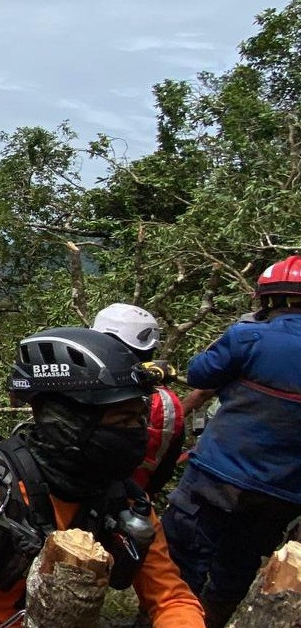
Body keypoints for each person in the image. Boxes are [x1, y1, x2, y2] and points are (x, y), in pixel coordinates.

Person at [0, 327, 203, 627]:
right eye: (123, 420)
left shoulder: (124, 501)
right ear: (67, 422)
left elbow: (171, 599)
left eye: (139, 419)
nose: (138, 433)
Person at [162, 255, 301, 627]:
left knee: (182, 555)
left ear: (269, 300)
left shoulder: (248, 336)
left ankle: (169, 619)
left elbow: (198, 373)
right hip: (282, 491)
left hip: (217, 474)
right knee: (237, 564)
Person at [92, 303, 186, 496]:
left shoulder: (87, 394)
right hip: (134, 507)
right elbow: (165, 468)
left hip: (81, 504)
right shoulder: (170, 404)